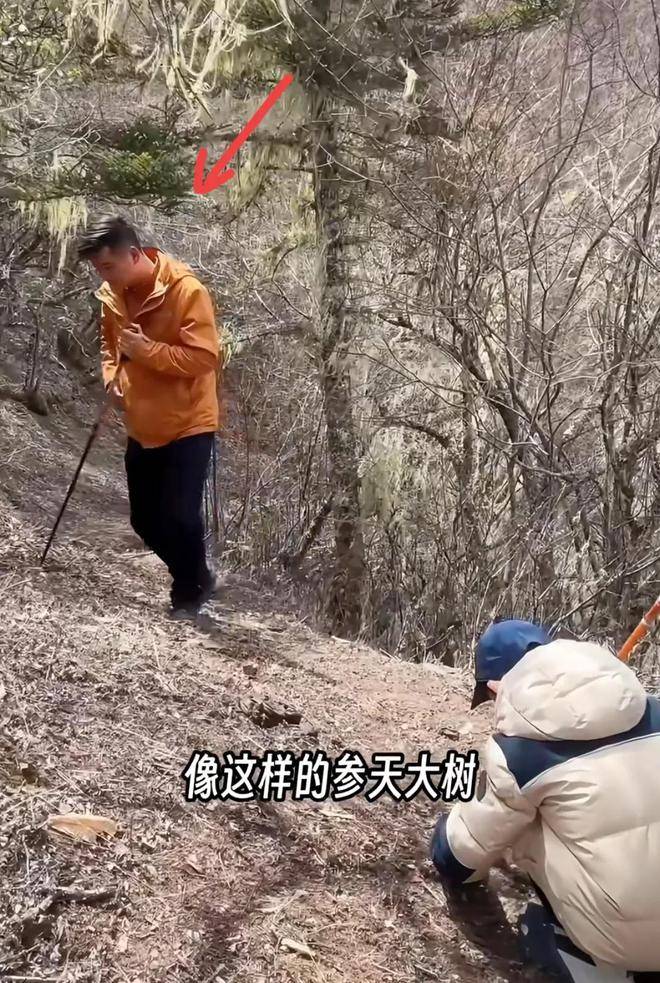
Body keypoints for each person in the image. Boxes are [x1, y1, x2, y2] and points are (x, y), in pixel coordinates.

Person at [430, 619, 660, 983]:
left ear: (496, 685)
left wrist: (443, 838)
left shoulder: (521, 756)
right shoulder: (654, 710)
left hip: (624, 942)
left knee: (525, 819)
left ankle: (575, 958)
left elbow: (462, 856)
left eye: (489, 698)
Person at [78, 215, 222, 618]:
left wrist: (148, 352)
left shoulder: (186, 290)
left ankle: (187, 591)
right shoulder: (112, 295)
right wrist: (112, 378)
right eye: (98, 269)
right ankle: (197, 574)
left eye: (108, 266)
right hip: (143, 423)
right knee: (145, 522)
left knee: (180, 516)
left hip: (189, 420)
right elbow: (110, 347)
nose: (104, 276)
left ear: (134, 254)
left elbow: (204, 357)